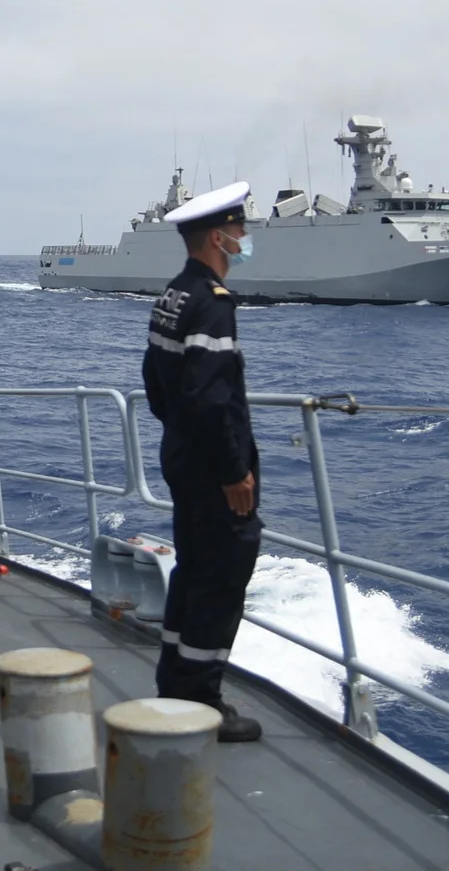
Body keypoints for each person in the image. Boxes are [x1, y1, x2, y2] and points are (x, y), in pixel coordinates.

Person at [141, 180, 264, 743]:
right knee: (220, 578)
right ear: (219, 236)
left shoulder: (172, 294)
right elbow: (213, 399)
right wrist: (233, 471)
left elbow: (158, 384)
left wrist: (185, 440)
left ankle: (175, 683)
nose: (244, 237)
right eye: (239, 229)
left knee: (192, 569)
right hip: (212, 468)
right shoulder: (212, 304)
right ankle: (200, 700)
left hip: (181, 455)